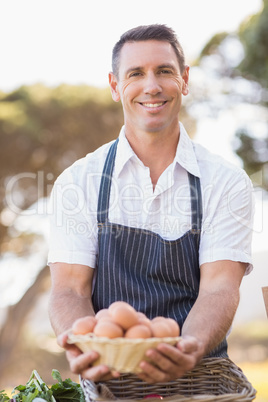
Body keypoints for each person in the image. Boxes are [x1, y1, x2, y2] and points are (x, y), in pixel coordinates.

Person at [48, 24, 254, 392]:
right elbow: (70, 291)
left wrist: (187, 349)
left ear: (185, 80)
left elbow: (219, 287)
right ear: (115, 86)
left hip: (200, 383)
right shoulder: (79, 182)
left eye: (164, 71)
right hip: (110, 384)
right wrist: (82, 341)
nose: (152, 86)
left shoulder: (225, 181)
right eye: (135, 74)